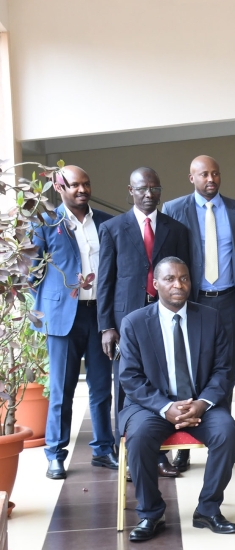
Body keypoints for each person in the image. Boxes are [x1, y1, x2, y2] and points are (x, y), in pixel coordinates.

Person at [118, 257, 235, 542]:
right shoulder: (134, 323)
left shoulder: (210, 317)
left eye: (184, 278)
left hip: (200, 403)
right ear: (155, 284)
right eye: (170, 279)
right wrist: (165, 407)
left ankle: (208, 509)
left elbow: (224, 370)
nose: (178, 284)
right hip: (152, 405)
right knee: (139, 437)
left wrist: (202, 403)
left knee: (226, 431)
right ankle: (151, 513)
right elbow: (130, 377)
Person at [162, 155, 235, 469]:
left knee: (225, 371)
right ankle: (184, 446)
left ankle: (226, 442)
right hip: (193, 300)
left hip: (227, 300)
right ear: (192, 178)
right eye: (204, 174)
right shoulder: (174, 209)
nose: (211, 179)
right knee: (189, 370)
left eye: (215, 173)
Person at [97, 167, 190, 479]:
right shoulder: (112, 228)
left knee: (163, 384)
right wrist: (106, 326)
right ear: (131, 191)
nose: (149, 194)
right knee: (126, 386)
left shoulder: (176, 229)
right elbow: (106, 281)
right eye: (142, 189)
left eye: (154, 188)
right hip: (126, 321)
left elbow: (183, 278)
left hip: (166, 318)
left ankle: (160, 455)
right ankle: (127, 456)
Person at [32, 166, 116, 480]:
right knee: (61, 390)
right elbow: (32, 272)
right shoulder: (46, 223)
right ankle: (55, 454)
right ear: (59, 188)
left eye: (86, 183)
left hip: (99, 316)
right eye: (74, 185)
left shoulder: (106, 222)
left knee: (101, 387)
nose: (82, 190)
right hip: (63, 319)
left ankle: (103, 449)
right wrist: (53, 300)